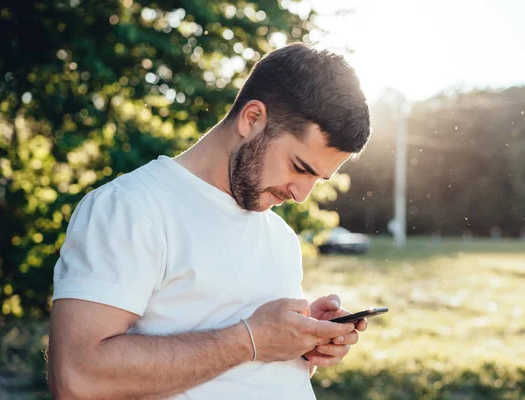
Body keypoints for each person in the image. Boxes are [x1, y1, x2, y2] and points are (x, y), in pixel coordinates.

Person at [47, 43, 371, 399]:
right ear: (252, 119)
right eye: (299, 167)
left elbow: (248, 372)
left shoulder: (280, 234)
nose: (301, 194)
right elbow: (76, 376)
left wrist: (302, 341)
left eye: (318, 179)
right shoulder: (130, 208)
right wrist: (251, 340)